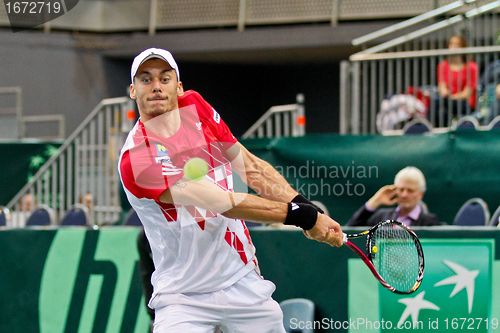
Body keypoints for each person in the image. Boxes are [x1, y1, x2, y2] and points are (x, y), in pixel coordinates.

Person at [118, 48, 344, 333]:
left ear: (179, 86)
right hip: (183, 297)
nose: (156, 87)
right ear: (133, 91)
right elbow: (223, 202)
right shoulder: (137, 158)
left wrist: (303, 204)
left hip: (241, 281)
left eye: (165, 78)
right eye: (146, 80)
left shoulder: (195, 106)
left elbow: (248, 165)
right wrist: (305, 217)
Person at [347, 166, 440, 227]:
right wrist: (374, 201)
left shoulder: (430, 223)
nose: (404, 194)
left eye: (410, 190)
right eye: (401, 189)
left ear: (420, 194)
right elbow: (351, 229)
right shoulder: (381, 216)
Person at [436, 35, 478, 124]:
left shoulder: (471, 67)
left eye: (457, 44)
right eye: (451, 44)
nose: (453, 47)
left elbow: (467, 93)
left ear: (463, 48)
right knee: (438, 107)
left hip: (464, 103)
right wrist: (445, 93)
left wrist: (451, 97)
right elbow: (442, 88)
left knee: (443, 104)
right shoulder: (443, 65)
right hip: (446, 102)